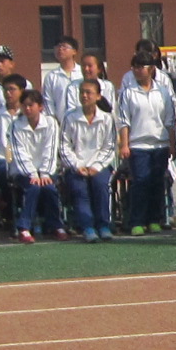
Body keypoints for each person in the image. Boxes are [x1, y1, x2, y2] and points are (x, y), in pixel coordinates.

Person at [114, 59, 176, 234]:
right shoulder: (128, 93)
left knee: (157, 183)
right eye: (134, 66)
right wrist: (125, 144)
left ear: (150, 69)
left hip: (160, 144)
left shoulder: (162, 91)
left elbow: (170, 120)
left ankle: (154, 219)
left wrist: (172, 145)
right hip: (138, 145)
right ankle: (137, 221)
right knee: (140, 182)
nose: (136, 70)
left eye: (140, 67)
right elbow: (123, 121)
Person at [59, 78, 118, 242]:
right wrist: (77, 166)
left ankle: (103, 225)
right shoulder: (70, 117)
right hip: (76, 166)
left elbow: (110, 146)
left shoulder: (106, 118)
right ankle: (87, 227)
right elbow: (64, 146)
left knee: (100, 185)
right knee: (79, 189)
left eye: (88, 92)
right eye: (82, 92)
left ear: (98, 96)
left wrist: (97, 166)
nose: (84, 96)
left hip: (99, 166)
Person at [4, 88, 64, 242]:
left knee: (50, 189)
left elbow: (50, 149)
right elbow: (19, 154)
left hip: (46, 170)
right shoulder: (15, 125)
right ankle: (24, 228)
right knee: (33, 187)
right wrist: (32, 174)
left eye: (31, 105)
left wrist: (44, 173)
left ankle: (56, 226)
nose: (28, 109)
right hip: (22, 172)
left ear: (40, 106)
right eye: (24, 105)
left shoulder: (51, 123)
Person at [40, 37, 84, 128]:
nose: (60, 49)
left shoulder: (82, 73)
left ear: (74, 51)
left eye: (64, 47)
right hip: (60, 126)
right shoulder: (51, 76)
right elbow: (48, 102)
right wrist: (54, 122)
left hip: (82, 124)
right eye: (57, 47)